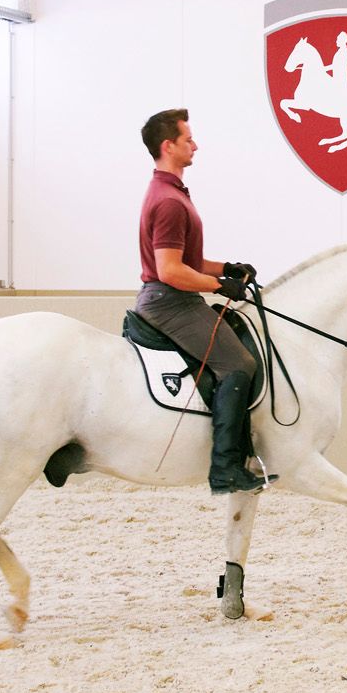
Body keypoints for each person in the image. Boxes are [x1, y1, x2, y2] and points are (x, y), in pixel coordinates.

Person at [136, 108, 273, 494]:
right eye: (188, 139)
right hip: (169, 302)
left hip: (176, 297)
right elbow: (170, 270)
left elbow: (188, 261)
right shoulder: (168, 200)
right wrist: (217, 285)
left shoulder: (173, 192)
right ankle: (225, 468)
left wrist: (226, 267)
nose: (195, 144)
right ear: (168, 146)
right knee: (238, 363)